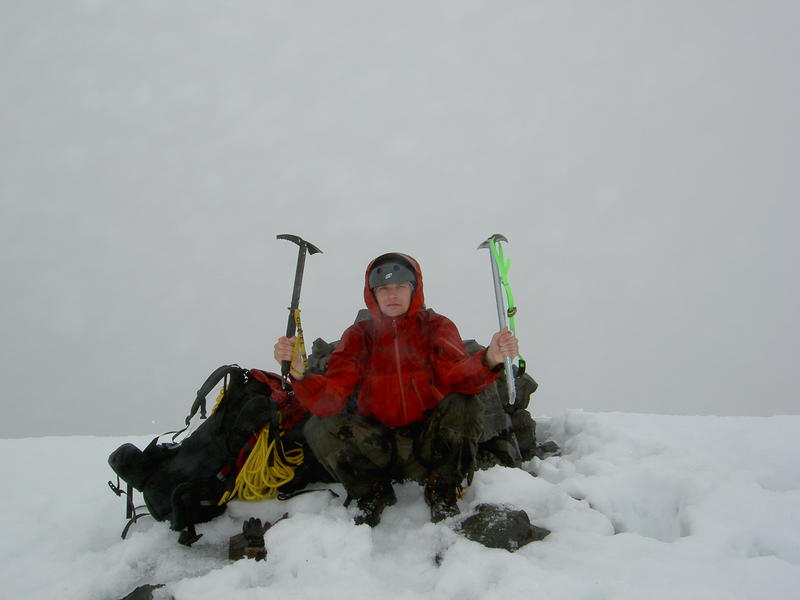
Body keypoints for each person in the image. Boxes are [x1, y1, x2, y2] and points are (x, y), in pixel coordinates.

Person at [273, 253, 519, 526]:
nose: (392, 295)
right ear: (372, 294)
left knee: (466, 403)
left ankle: (442, 489)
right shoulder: (358, 336)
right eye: (384, 288)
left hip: (428, 445)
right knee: (319, 425)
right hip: (379, 446)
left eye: (400, 286)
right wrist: (299, 374)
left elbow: (459, 376)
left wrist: (490, 359)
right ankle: (370, 492)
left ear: (415, 289)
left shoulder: (436, 327)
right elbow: (332, 397)